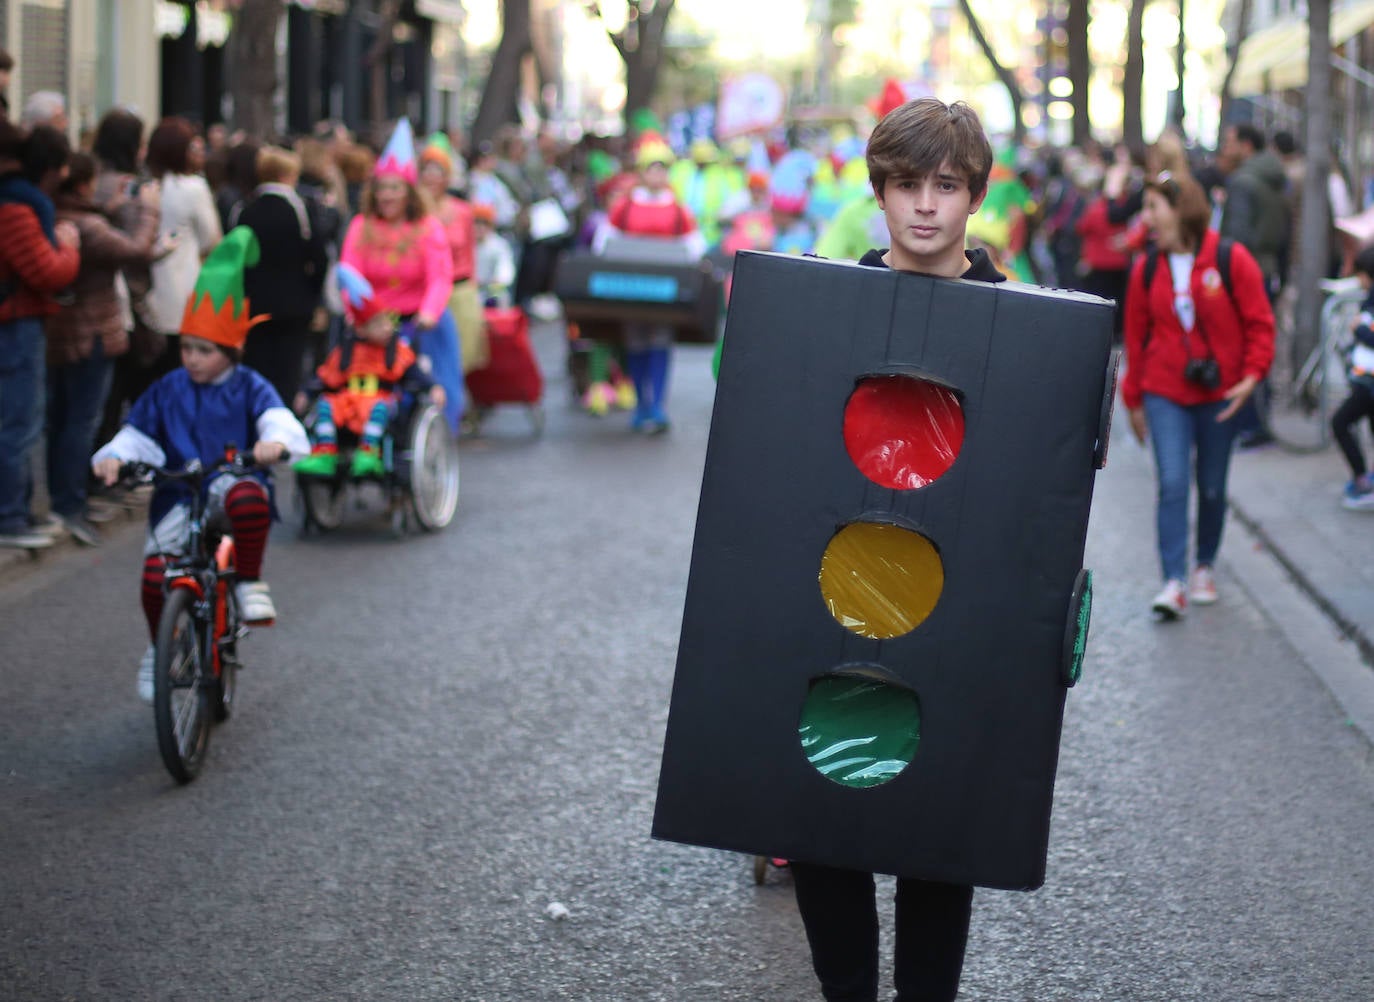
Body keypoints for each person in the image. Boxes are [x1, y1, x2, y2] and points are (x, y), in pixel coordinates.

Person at [789, 97, 1005, 1002]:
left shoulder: (1018, 325)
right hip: (842, 592)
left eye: (946, 186)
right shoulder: (833, 313)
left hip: (952, 602)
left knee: (936, 825)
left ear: (972, 196)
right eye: (907, 184)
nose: (925, 205)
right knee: (824, 816)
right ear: (878, 193)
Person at [91, 228, 309, 703]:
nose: (191, 358)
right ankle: (161, 646)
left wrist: (273, 442)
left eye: (203, 350)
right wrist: (114, 457)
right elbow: (138, 433)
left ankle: (248, 579)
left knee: (249, 496)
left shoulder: (249, 384)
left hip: (229, 484)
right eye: (186, 347)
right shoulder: (169, 387)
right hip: (178, 494)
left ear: (230, 350)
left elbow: (279, 420)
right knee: (155, 577)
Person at [1121, 171, 1275, 619]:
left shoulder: (1231, 258)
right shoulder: (1146, 268)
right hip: (1164, 391)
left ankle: (1204, 563)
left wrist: (1252, 376)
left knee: (1211, 486)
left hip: (1220, 394)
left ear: (1180, 208)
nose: (1146, 218)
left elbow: (1260, 323)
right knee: (1172, 482)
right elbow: (1135, 338)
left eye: (1154, 207)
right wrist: (1132, 400)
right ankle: (1174, 580)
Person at [47, 153, 164, 546]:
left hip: (65, 330)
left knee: (63, 418)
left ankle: (64, 498)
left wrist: (111, 207)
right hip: (92, 332)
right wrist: (147, 210)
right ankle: (70, 502)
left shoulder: (60, 215)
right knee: (81, 420)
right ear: (82, 184)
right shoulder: (88, 225)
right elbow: (135, 250)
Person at [339, 119, 463, 433]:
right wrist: (355, 311)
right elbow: (349, 272)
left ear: (408, 192)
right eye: (381, 188)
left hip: (419, 326)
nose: (387, 196)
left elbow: (440, 275)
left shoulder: (427, 227)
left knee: (430, 387)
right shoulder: (360, 226)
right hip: (372, 325)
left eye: (394, 188)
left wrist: (429, 312)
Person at [0, 122, 82, 549]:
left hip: (18, 318)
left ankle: (16, 509)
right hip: (16, 323)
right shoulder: (17, 206)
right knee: (18, 421)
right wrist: (69, 246)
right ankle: (10, 514)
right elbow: (46, 270)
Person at [293, 264, 443, 478]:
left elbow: (416, 373)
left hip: (379, 400)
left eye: (386, 323)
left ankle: (369, 452)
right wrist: (306, 392)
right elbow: (325, 375)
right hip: (348, 401)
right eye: (378, 324)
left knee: (379, 409)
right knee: (325, 405)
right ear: (361, 329)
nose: (386, 328)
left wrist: (434, 387)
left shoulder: (397, 351)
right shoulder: (345, 352)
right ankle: (325, 452)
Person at [597, 139, 705, 433]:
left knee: (660, 342)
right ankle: (640, 405)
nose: (657, 176)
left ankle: (657, 405)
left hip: (665, 292)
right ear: (642, 172)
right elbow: (604, 241)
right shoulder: (625, 206)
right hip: (633, 289)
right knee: (636, 342)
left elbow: (694, 246)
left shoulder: (679, 210)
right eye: (652, 169)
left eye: (662, 170)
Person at [233, 145, 328, 406]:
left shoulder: (244, 210)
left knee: (258, 370)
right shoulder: (301, 211)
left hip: (256, 306)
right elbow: (319, 258)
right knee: (288, 372)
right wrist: (312, 294)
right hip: (294, 307)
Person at [143, 117, 223, 380]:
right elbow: (210, 239)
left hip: (143, 295)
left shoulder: (141, 186)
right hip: (183, 291)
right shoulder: (193, 188)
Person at [1331, 245, 1374, 510]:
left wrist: (1359, 330)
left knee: (1340, 422)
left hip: (1369, 382)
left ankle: (1362, 481)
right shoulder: (1368, 298)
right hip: (1365, 380)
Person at [472, 202, 515, 308]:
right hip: (469, 291)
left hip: (492, 292)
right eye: (476, 222)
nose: (480, 227)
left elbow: (505, 269)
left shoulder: (499, 245)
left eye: (484, 223)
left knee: (500, 297)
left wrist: (496, 282)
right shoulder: (465, 243)